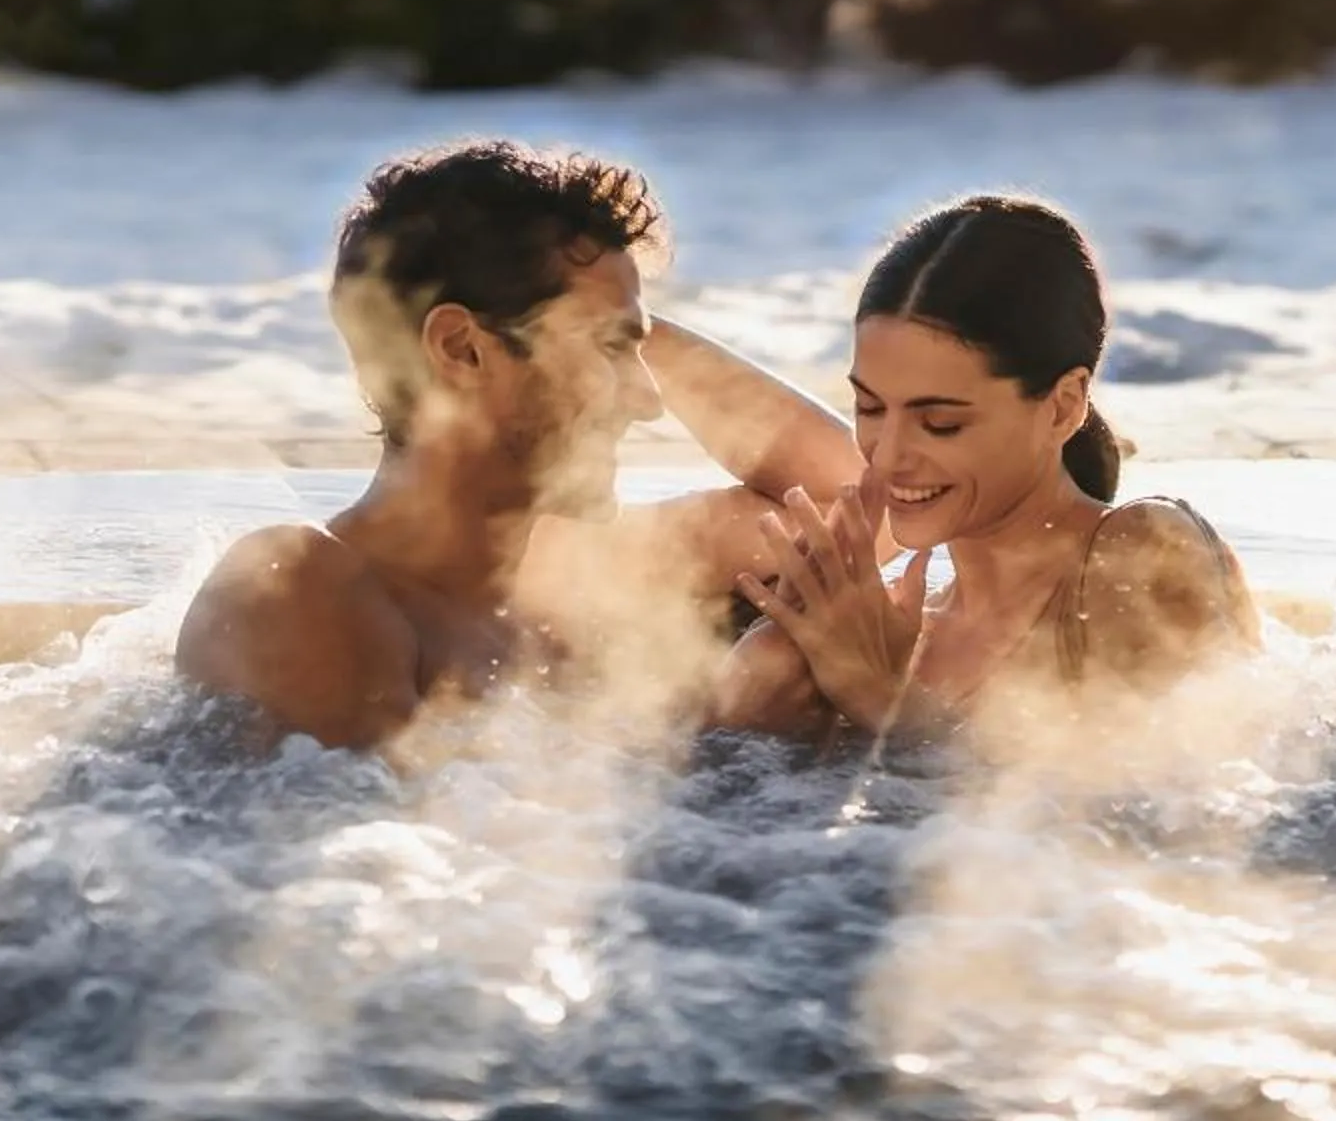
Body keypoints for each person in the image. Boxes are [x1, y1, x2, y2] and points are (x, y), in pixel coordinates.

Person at [177, 141, 863, 753]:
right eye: (611, 349)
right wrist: (721, 745)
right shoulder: (299, 590)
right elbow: (388, 868)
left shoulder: (602, 578)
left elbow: (861, 503)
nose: (651, 400)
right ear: (461, 348)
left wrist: (619, 314)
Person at [712, 195, 1260, 748]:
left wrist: (882, 699)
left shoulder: (1147, 551)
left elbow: (1177, 798)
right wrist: (761, 690)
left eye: (941, 422)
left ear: (1063, 406)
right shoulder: (890, 632)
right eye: (871, 409)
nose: (890, 454)